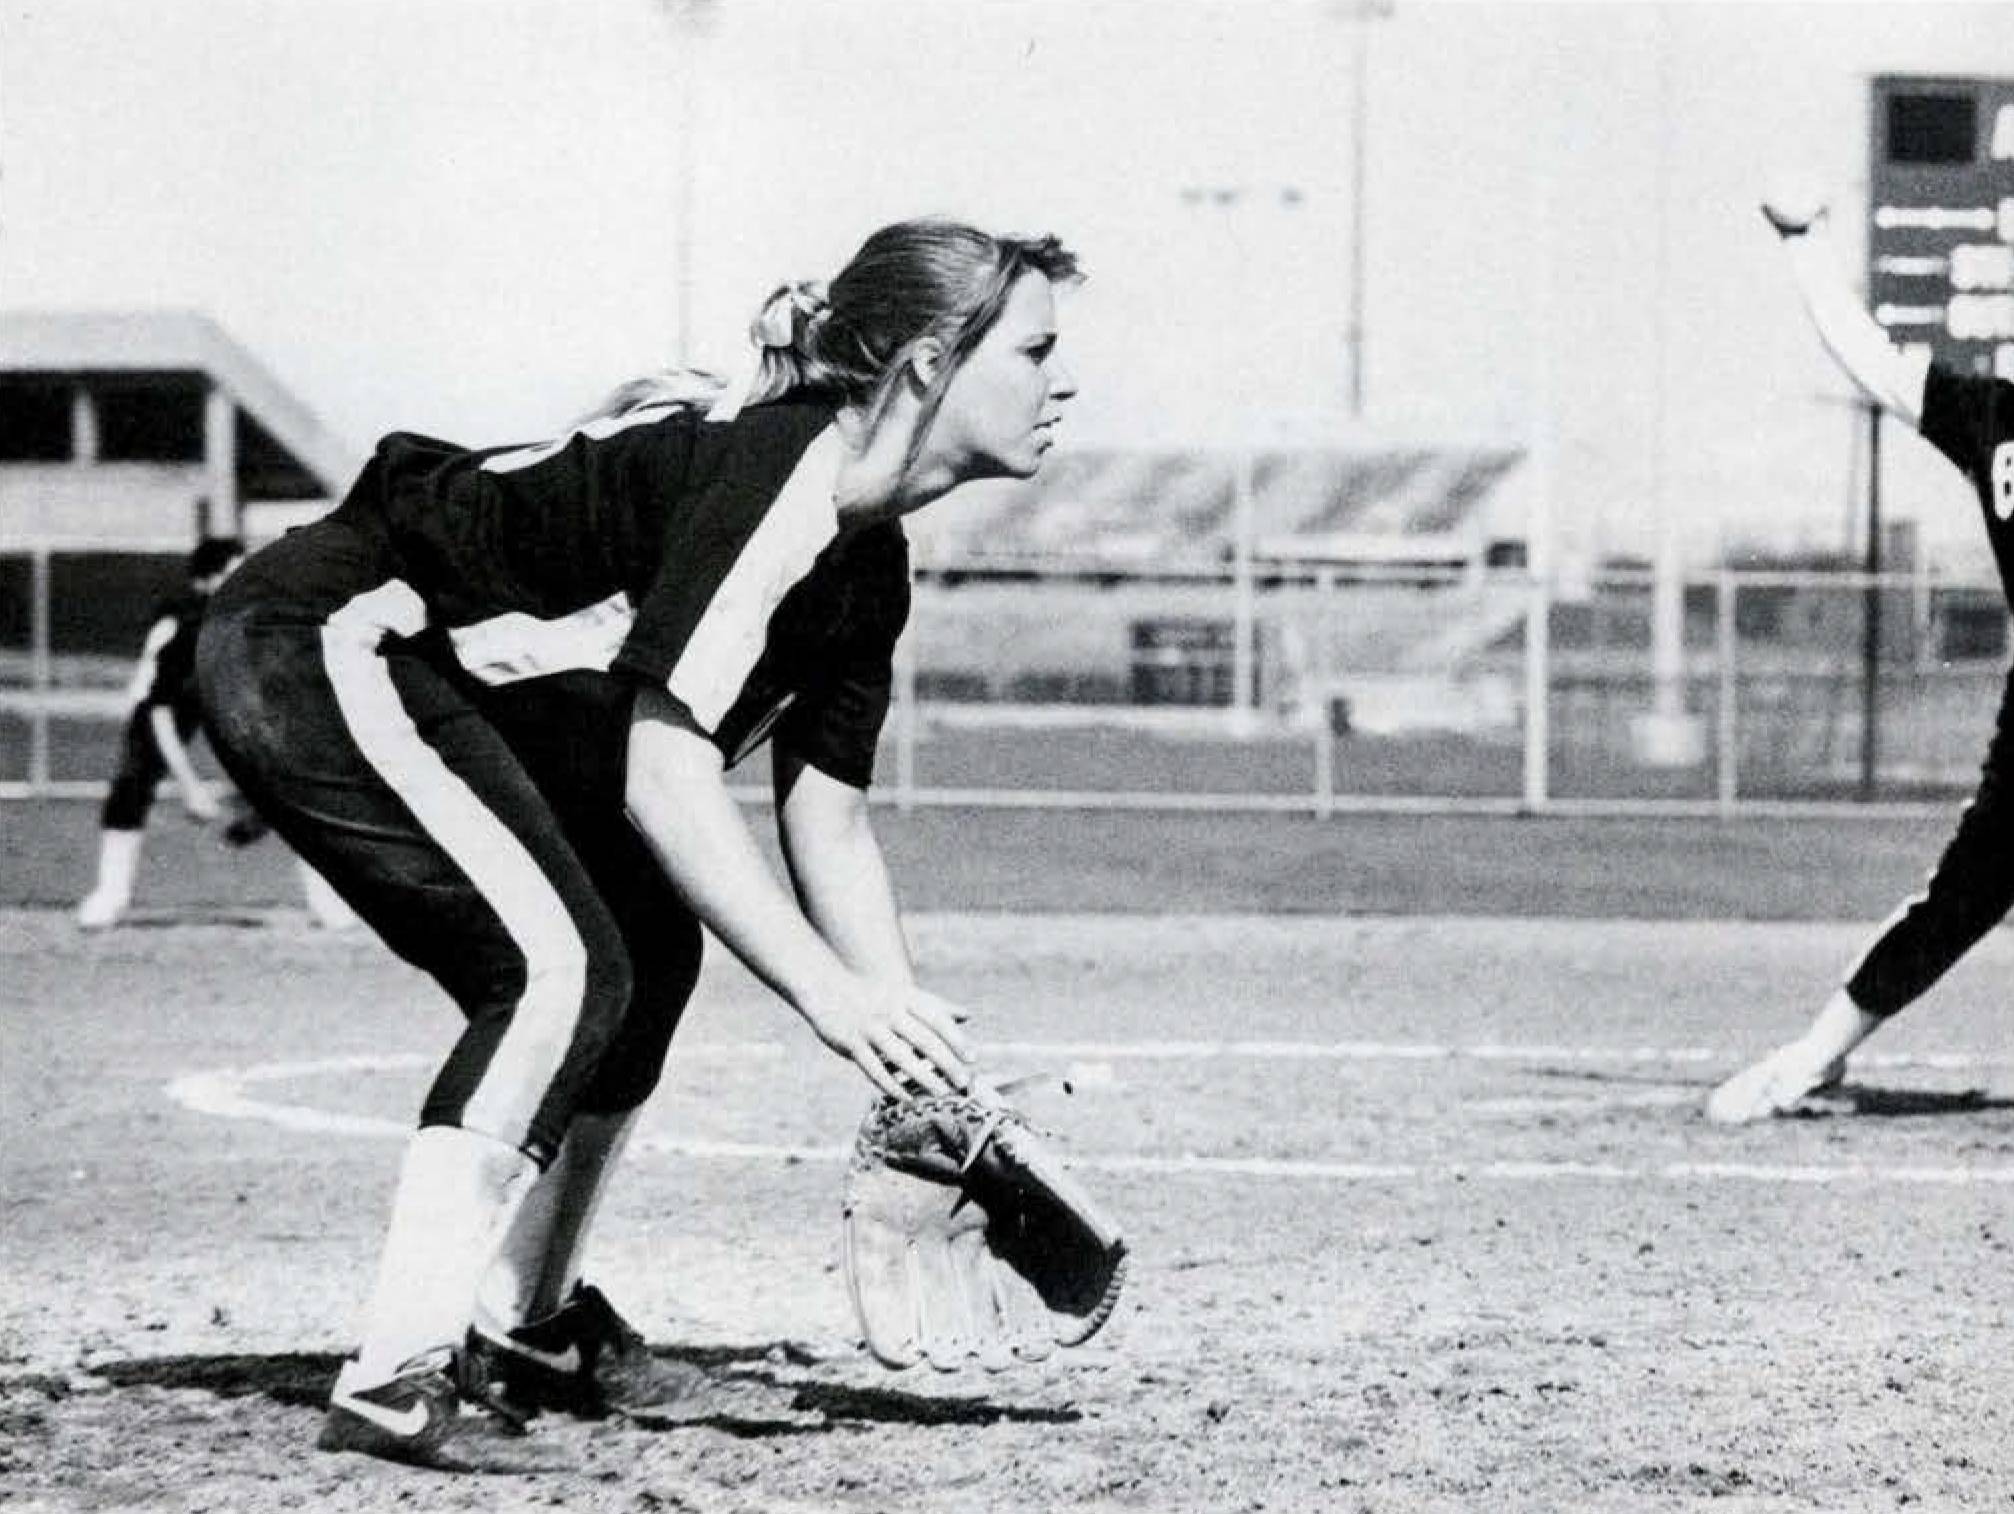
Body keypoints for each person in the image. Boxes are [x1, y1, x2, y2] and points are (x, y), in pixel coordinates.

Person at [195, 217, 1081, 1469]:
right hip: (328, 632)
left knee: (649, 954)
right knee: (560, 973)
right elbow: (667, 775)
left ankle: (529, 1331)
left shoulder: (865, 560)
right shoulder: (781, 474)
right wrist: (829, 997)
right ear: (930, 365)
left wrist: (919, 1071)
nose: (1063, 378)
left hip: (442, 679)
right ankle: (393, 1377)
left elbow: (824, 810)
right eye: (1035, 349)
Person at [1707, 194, 2013, 1123]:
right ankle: (1815, 1055)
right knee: (1965, 893)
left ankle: (1814, 1056)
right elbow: (1871, 360)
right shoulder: (1991, 414)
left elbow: (1869, 359)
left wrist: (1804, 246)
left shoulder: (1993, 415)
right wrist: (1805, 248)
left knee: (1962, 894)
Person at [75, 536, 240, 928]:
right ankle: (109, 896)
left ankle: (331, 902)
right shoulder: (182, 622)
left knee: (287, 780)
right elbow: (158, 704)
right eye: (235, 572)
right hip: (162, 705)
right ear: (207, 579)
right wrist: (189, 786)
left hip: (210, 696)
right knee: (132, 785)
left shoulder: (237, 618)